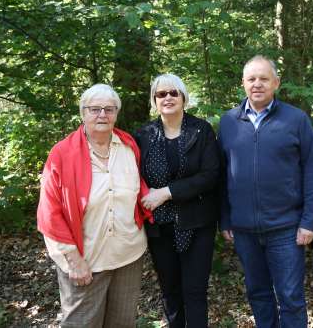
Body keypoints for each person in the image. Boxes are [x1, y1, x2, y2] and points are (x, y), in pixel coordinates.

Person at [218, 55, 313, 328]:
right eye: (251, 79)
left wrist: (309, 220)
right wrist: (226, 218)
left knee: (290, 297)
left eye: (263, 78)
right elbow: (222, 175)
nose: (257, 84)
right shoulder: (228, 122)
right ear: (243, 83)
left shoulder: (296, 119)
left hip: (286, 228)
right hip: (244, 230)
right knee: (258, 294)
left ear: (276, 83)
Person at [37, 83, 151, 327]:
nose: (102, 115)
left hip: (128, 256)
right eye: (95, 109)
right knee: (81, 323)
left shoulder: (129, 146)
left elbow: (139, 191)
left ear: (117, 114)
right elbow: (50, 213)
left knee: (122, 323)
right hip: (85, 260)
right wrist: (73, 260)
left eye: (109, 109)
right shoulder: (61, 154)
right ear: (83, 113)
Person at [133, 73, 220, 328]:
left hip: (197, 223)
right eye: (161, 94)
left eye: (174, 93)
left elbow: (211, 175)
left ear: (183, 98)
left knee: (194, 292)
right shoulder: (144, 135)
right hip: (159, 227)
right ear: (154, 100)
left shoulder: (201, 130)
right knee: (170, 292)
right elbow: (133, 176)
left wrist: (167, 192)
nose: (168, 97)